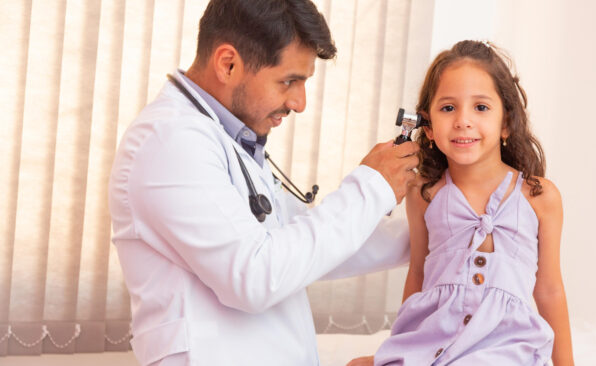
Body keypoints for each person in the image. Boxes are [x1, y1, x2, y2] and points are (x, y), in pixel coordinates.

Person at [108, 0, 419, 365]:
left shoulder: (224, 140)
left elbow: (308, 247)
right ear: (228, 63)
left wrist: (437, 228)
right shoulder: (167, 141)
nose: (299, 103)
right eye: (289, 81)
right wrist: (373, 185)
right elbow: (255, 276)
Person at [348, 40, 574, 365]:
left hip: (504, 346)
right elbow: (418, 275)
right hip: (434, 337)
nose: (462, 121)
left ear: (507, 122)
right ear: (427, 126)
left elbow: (550, 289)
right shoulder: (424, 194)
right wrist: (398, 349)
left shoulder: (540, 197)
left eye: (480, 107)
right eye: (448, 108)